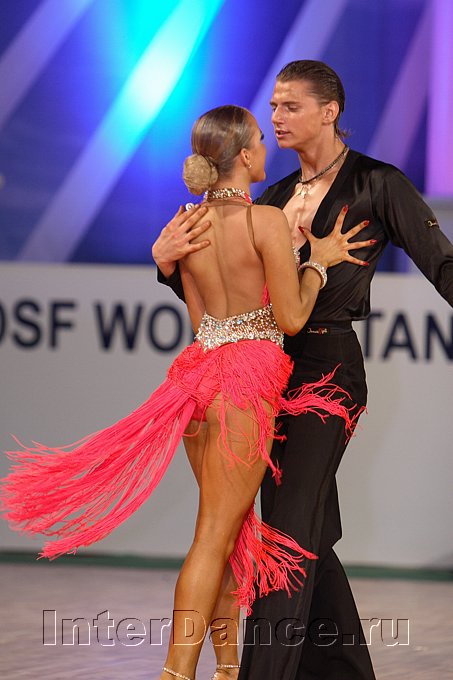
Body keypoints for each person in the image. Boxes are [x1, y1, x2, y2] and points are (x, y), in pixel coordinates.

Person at [1, 105, 373, 680]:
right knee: (214, 537)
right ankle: (175, 673)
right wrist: (318, 264)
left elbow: (203, 324)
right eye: (260, 138)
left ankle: (227, 669)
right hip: (245, 383)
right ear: (244, 155)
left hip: (199, 380)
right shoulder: (265, 222)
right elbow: (293, 318)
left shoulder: (188, 224)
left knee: (229, 534)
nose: (266, 146)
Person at [152, 62, 453, 680]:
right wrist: (165, 267)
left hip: (327, 372)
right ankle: (345, 671)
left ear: (329, 110)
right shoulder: (271, 197)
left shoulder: (377, 183)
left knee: (286, 532)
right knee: (305, 529)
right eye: (272, 108)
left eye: (289, 106)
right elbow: (229, 298)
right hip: (264, 375)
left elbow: (441, 263)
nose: (276, 118)